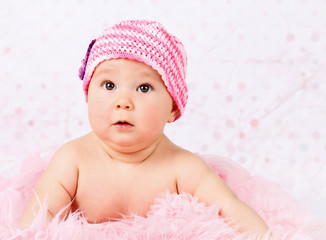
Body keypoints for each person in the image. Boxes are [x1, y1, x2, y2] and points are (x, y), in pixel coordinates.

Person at [18, 20, 270, 237]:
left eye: (144, 88)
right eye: (108, 85)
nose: (123, 102)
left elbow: (229, 207)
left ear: (173, 108)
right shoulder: (73, 160)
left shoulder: (182, 167)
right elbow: (40, 217)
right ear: (87, 94)